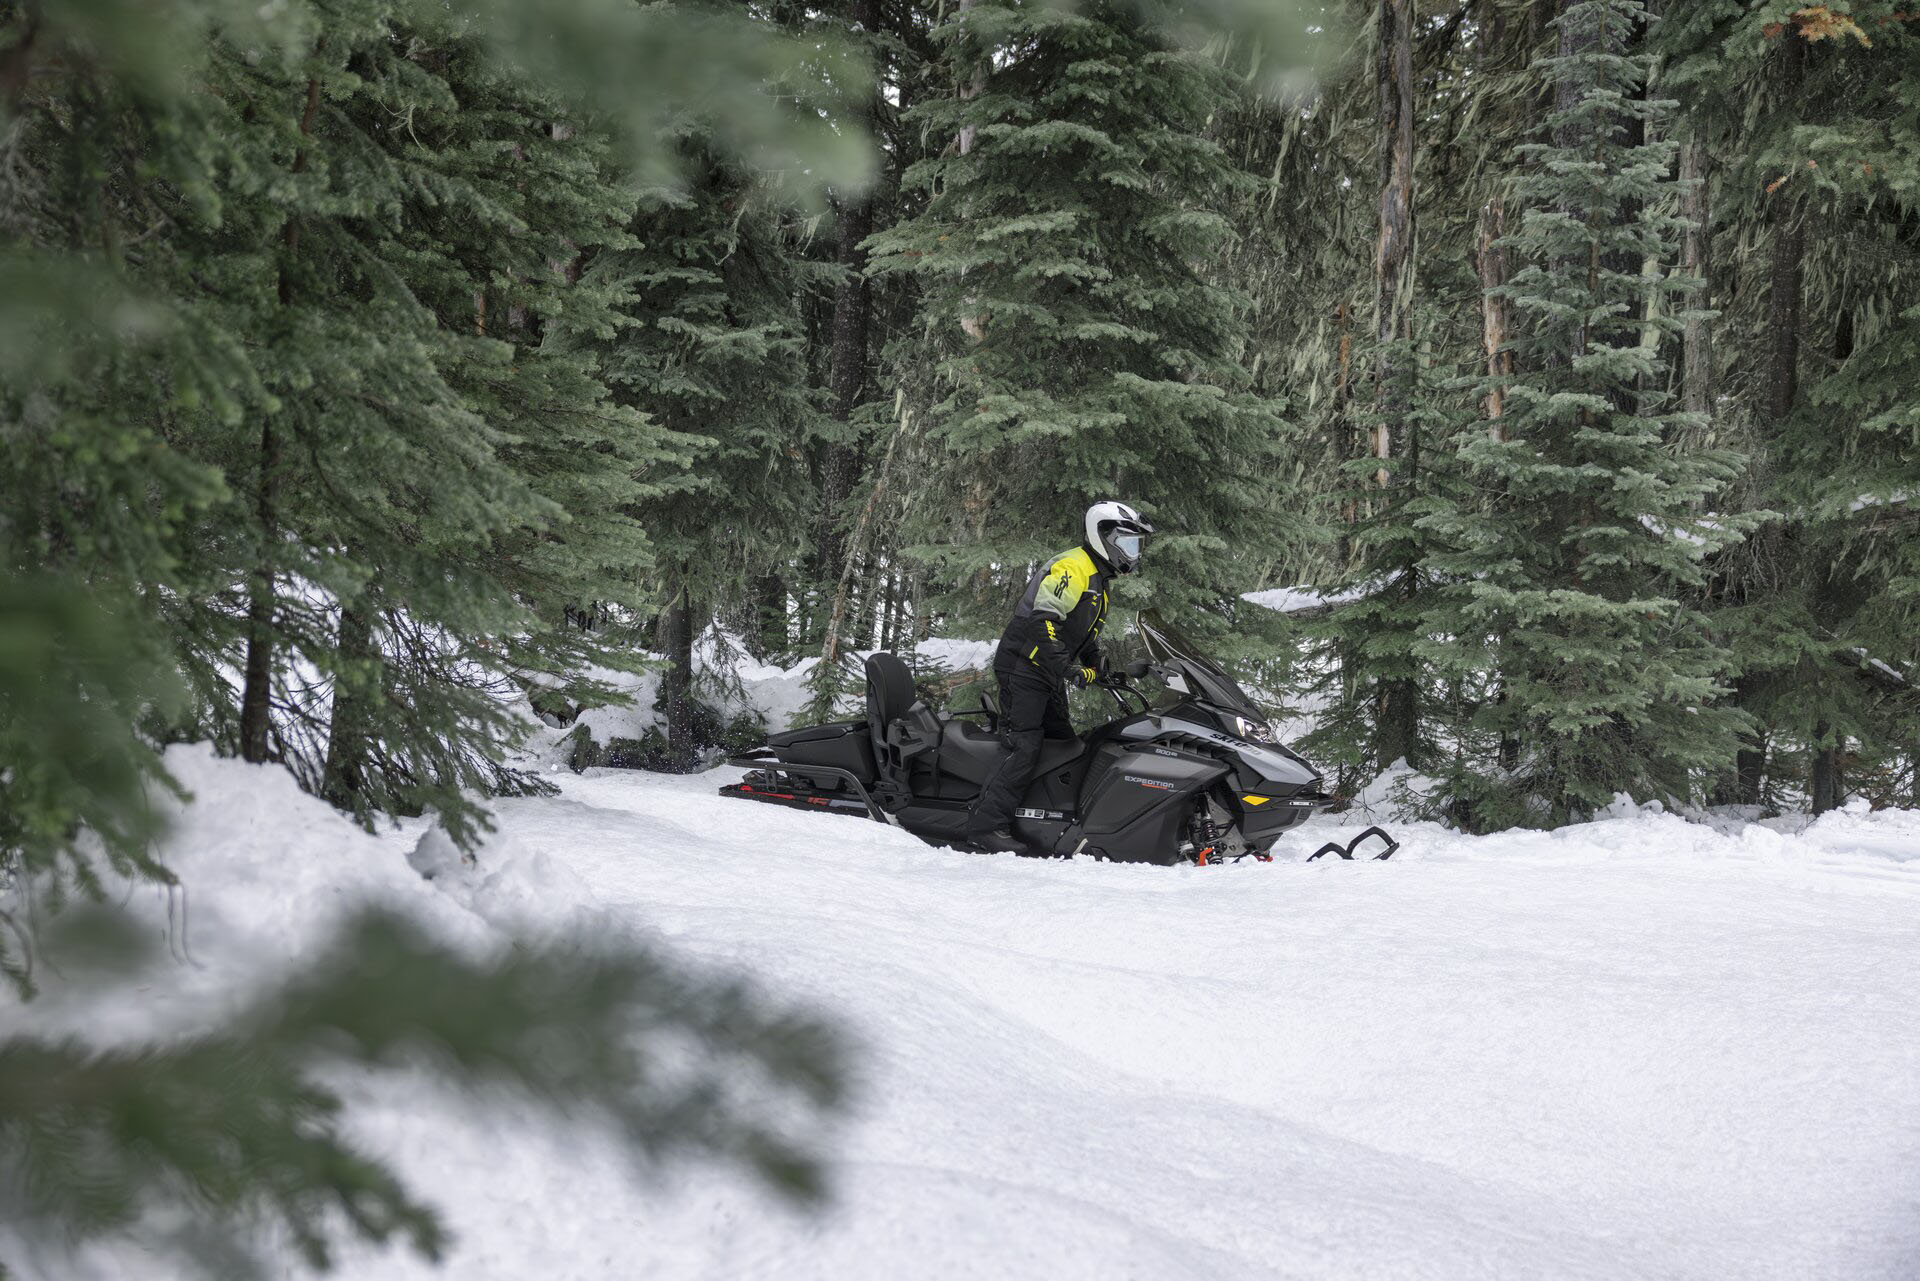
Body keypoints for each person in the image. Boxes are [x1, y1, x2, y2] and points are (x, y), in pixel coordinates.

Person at [966, 501, 1154, 852]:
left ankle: (1040, 819)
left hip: (1044, 668)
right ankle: (985, 826)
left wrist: (1096, 663)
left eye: (1136, 546)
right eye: (1128, 544)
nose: (1134, 553)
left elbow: (1080, 632)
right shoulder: (1073, 566)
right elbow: (1044, 621)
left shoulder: (1098, 577)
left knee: (1063, 745)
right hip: (1023, 666)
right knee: (1024, 745)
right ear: (1104, 537)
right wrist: (1068, 668)